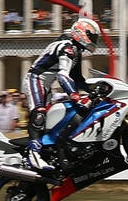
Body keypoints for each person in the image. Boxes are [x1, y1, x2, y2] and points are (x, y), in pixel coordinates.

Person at [24, 17, 110, 164]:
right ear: (82, 33)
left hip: (47, 85)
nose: (94, 40)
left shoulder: (75, 51)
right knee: (40, 114)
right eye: (92, 36)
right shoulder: (66, 47)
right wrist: (76, 96)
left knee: (52, 119)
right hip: (35, 79)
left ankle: (51, 150)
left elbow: (77, 79)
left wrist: (97, 88)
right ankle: (33, 153)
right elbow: (62, 76)